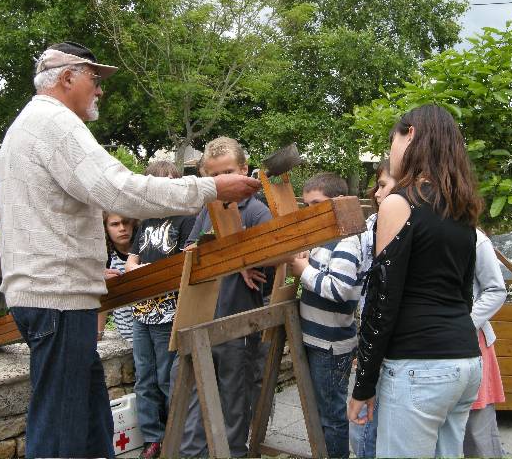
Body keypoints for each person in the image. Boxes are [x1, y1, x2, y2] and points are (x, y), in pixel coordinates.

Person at [0, 41, 261, 459]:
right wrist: (210, 188)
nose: (100, 90)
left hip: (52, 295)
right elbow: (121, 189)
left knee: (89, 421)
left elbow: (36, 220)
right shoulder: (55, 124)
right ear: (68, 78)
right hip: (58, 303)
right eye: (94, 79)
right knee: (60, 434)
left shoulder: (27, 126)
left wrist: (83, 267)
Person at [347, 104, 484, 458]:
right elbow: (464, 293)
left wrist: (363, 385)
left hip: (419, 367)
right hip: (465, 362)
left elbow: (382, 300)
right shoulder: (461, 208)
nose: (390, 152)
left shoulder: (400, 203)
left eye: (391, 140)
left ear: (410, 134)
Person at [172, 136, 273, 457]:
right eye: (214, 177)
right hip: (201, 321)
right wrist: (228, 257)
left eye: (228, 172)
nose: (223, 181)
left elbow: (276, 256)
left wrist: (237, 257)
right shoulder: (208, 208)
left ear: (244, 170)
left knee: (234, 406)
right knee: (194, 403)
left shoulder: (258, 213)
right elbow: (191, 251)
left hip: (237, 329)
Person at [124, 160, 196, 459]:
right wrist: (140, 270)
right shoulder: (146, 221)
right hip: (142, 313)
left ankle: (174, 436)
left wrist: (147, 271)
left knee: (169, 378)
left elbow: (183, 265)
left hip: (170, 313)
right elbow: (131, 261)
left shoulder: (185, 219)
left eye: (166, 183)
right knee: (144, 377)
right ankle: (153, 438)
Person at [289, 172, 362, 459]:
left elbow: (339, 289)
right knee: (322, 411)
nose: (310, 212)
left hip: (330, 347)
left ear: (338, 202)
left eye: (316, 204)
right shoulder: (324, 238)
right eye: (306, 205)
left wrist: (303, 271)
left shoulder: (345, 240)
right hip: (318, 341)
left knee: (331, 416)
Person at [349, 160, 396, 458]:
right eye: (376, 186)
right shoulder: (371, 227)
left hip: (388, 346)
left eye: (384, 186)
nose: (377, 194)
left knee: (365, 426)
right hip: (371, 338)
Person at [464, 229, 506, 458]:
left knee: (478, 431)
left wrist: (463, 324)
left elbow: (496, 290)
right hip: (435, 347)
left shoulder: (477, 239)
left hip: (473, 343)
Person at [98, 212, 138, 342]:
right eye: (115, 224)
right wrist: (99, 331)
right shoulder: (106, 257)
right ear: (106, 228)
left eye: (126, 222)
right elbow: (102, 294)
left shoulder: (144, 249)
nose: (122, 228)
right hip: (126, 332)